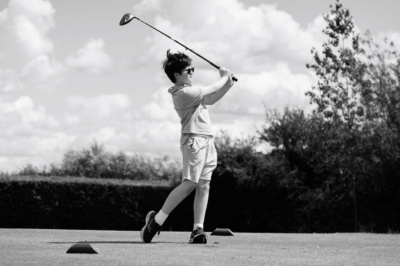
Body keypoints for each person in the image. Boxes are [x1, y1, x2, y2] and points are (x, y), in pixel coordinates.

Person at [140, 49, 234, 244]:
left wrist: (228, 86)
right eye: (188, 70)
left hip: (207, 141)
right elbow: (210, 89)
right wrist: (224, 78)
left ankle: (197, 230)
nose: (192, 72)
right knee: (190, 184)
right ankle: (156, 222)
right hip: (194, 141)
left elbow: (211, 99)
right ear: (176, 75)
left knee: (204, 185)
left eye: (192, 69)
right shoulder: (183, 93)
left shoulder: (192, 93)